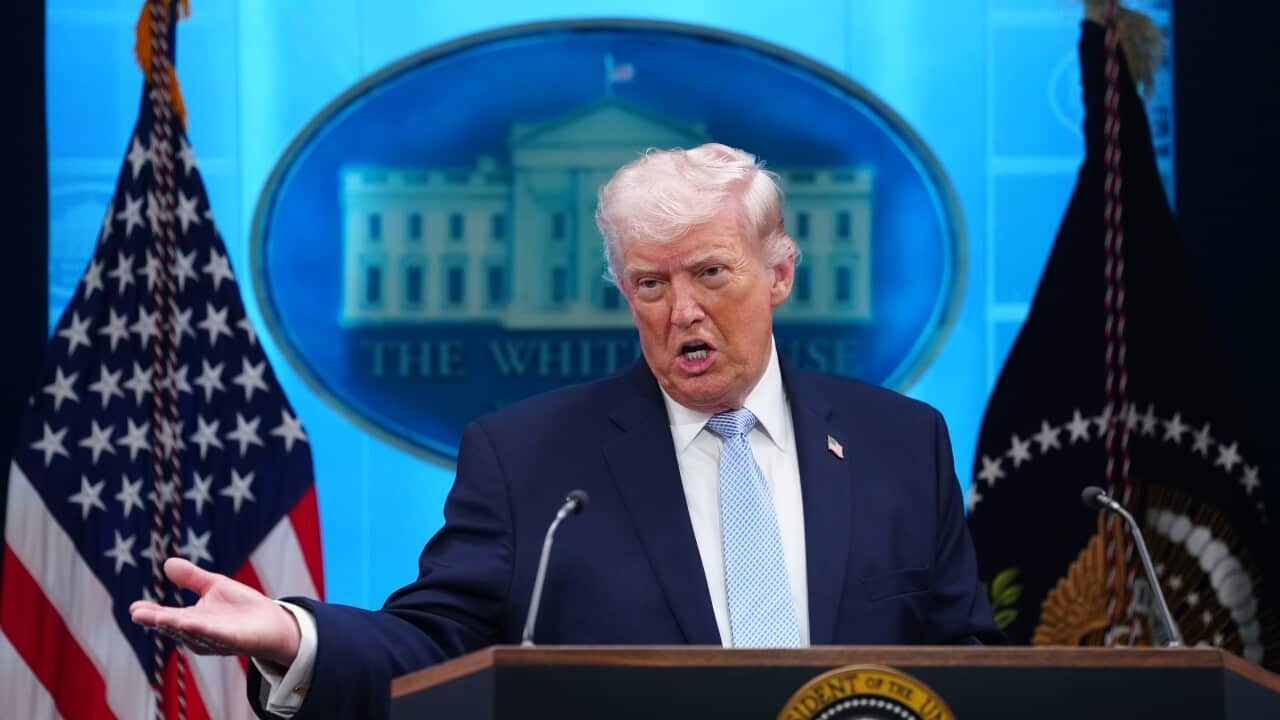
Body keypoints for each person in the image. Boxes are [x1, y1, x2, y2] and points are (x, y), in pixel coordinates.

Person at [131, 143, 997, 719]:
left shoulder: (900, 443)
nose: (682, 311)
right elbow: (438, 649)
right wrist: (298, 634)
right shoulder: (531, 461)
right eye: (650, 284)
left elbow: (971, 666)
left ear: (779, 274)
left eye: (710, 273)